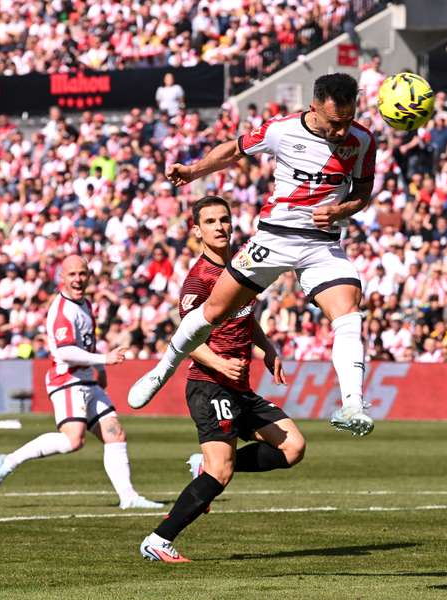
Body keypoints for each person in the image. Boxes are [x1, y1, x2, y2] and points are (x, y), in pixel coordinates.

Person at [129, 74, 377, 436]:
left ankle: (353, 403)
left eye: (347, 121)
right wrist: (194, 170)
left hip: (321, 244)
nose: (341, 131)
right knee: (213, 311)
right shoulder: (282, 130)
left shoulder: (363, 140)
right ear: (314, 109)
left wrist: (340, 212)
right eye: (334, 123)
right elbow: (232, 151)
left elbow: (363, 193)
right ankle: (162, 369)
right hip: (274, 238)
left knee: (349, 314)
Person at [139, 196, 305, 563]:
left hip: (239, 386)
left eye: (224, 220)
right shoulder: (199, 280)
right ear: (197, 231)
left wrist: (267, 348)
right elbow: (185, 339)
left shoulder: (239, 271)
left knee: (292, 447)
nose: (219, 227)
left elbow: (244, 316)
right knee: (222, 471)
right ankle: (158, 539)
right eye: (210, 221)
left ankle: (206, 466)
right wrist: (219, 363)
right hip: (209, 382)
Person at [0, 255, 163, 511]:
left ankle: (128, 497)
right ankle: (9, 461)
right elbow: (66, 351)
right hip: (67, 379)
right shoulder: (62, 310)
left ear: (89, 275)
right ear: (62, 278)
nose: (78, 279)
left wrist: (99, 368)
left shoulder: (84, 304)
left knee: (115, 433)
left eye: (82, 274)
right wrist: (104, 359)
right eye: (72, 275)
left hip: (86, 378)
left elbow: (86, 342)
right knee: (73, 441)